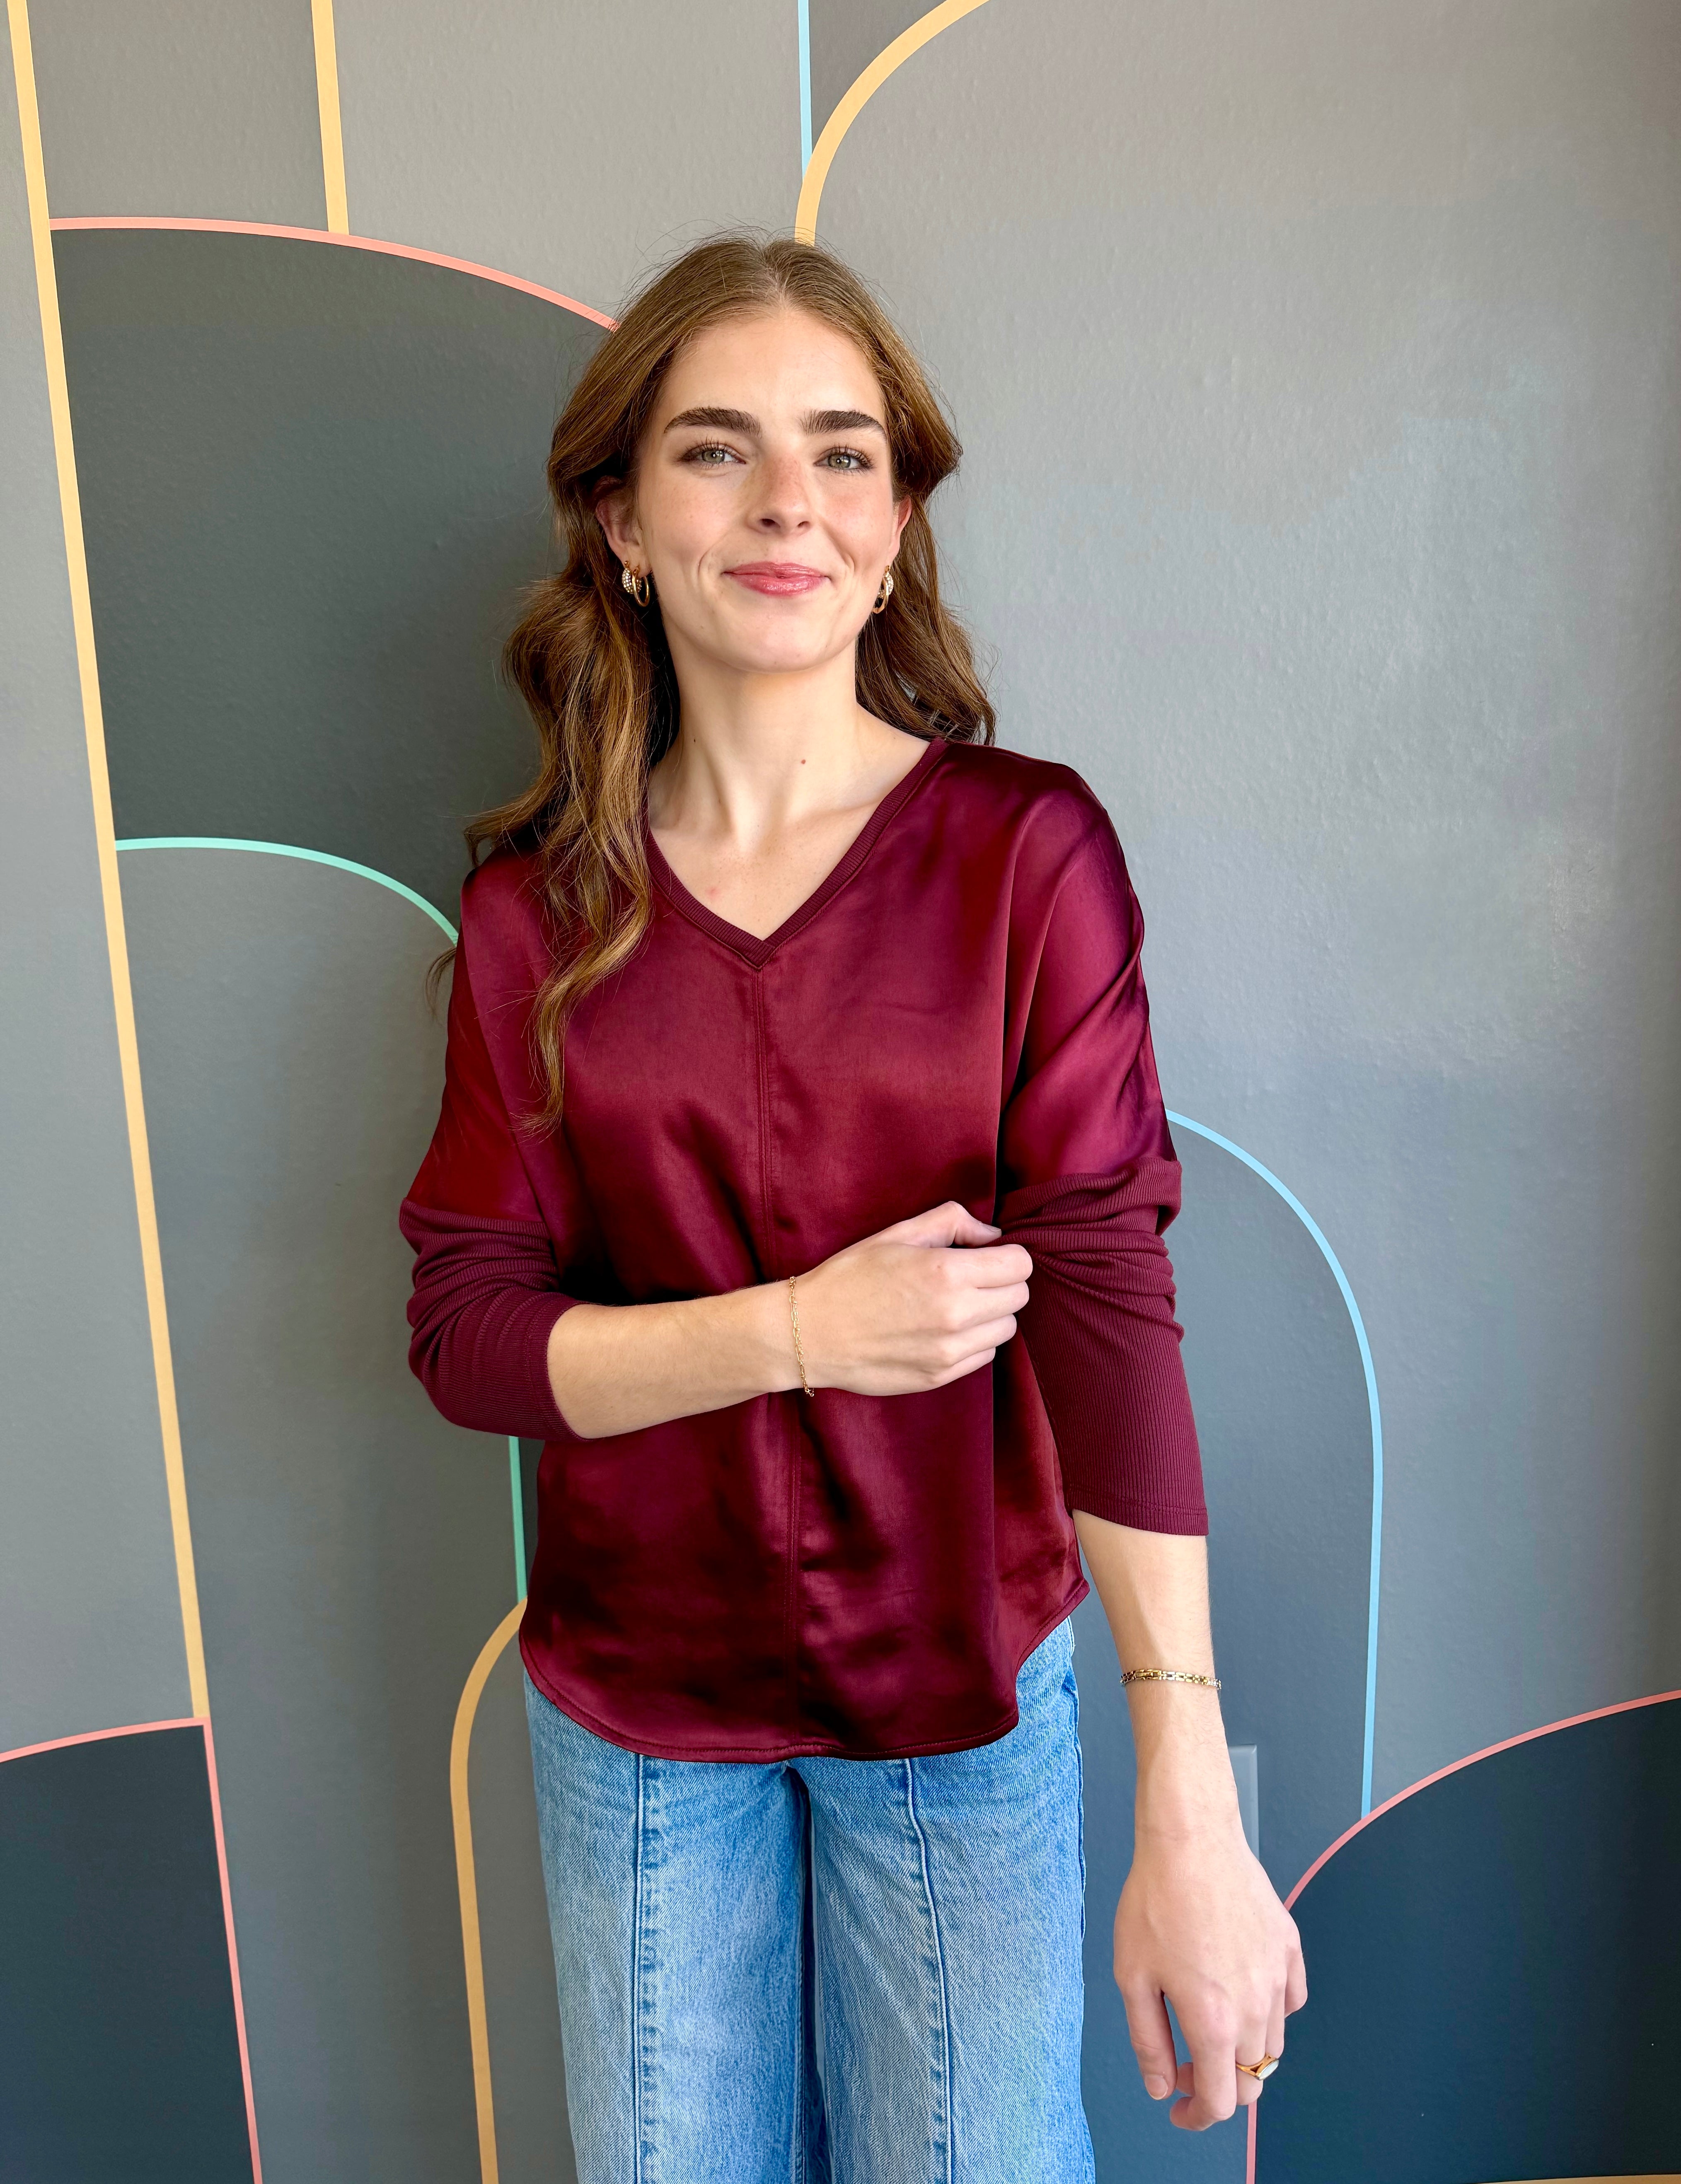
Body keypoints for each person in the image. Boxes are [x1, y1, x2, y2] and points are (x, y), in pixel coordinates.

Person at [400, 232, 1304, 2184]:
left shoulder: (1025, 855)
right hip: (636, 1713)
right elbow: (469, 1337)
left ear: (894, 527)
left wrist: (1186, 1793)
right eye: (714, 449)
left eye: (841, 451)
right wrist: (801, 1330)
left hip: (961, 1697)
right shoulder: (532, 916)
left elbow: (1108, 1308)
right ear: (621, 524)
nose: (785, 500)